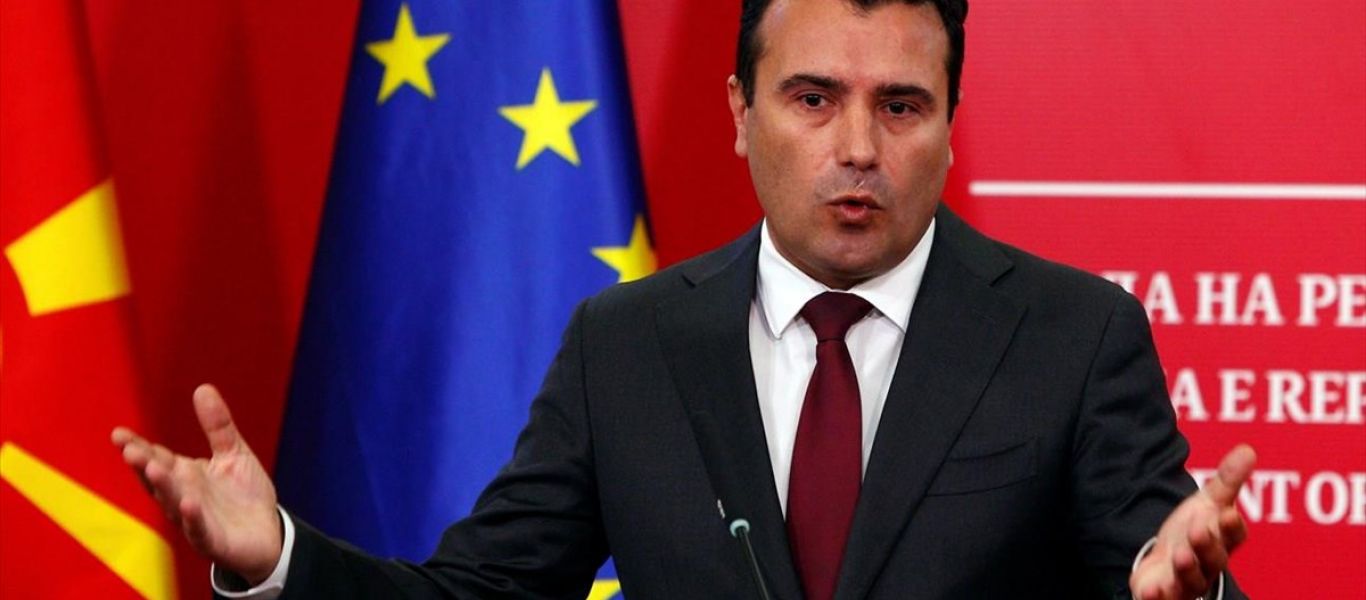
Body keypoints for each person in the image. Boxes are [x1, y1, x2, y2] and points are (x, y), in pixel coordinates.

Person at [113, 1, 1256, 598]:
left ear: (950, 128)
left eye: (901, 106)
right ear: (739, 114)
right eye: (813, 98)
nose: (858, 147)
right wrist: (279, 558)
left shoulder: (1072, 336)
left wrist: (1187, 599)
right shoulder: (626, 345)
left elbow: (1160, 571)